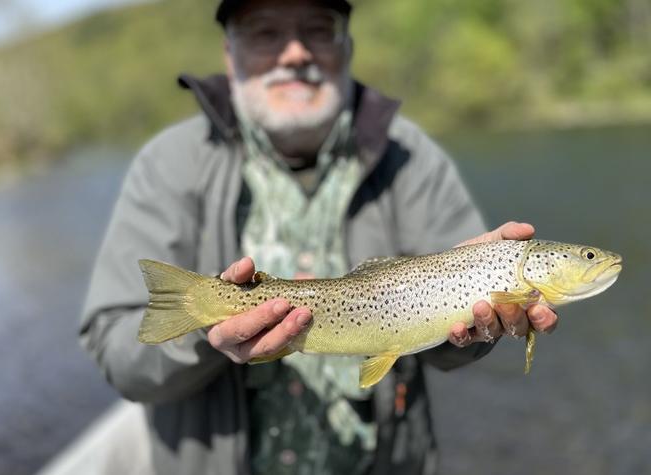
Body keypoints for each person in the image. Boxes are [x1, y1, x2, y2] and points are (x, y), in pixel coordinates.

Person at [79, 0, 558, 474]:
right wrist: (207, 335)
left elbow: (459, 344)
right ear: (229, 53)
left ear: (346, 45)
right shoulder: (168, 164)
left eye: (316, 28)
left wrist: (478, 334)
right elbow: (120, 354)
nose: (294, 53)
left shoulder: (412, 159)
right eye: (266, 31)